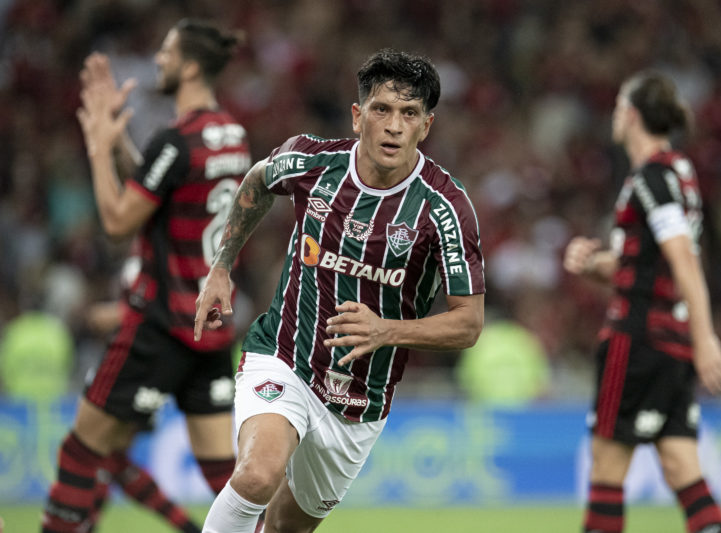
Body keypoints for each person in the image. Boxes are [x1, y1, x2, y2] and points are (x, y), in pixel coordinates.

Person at [194, 48, 485, 532]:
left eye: (409, 114)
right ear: (357, 116)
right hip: (284, 357)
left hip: (359, 401)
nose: (394, 126)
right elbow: (258, 181)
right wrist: (222, 266)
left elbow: (469, 324)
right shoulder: (312, 162)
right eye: (382, 109)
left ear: (426, 126)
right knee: (256, 476)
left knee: (286, 527)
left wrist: (386, 331)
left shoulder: (445, 209)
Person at [42, 19, 252, 533]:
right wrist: (123, 148)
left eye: (167, 52)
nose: (158, 59)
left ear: (191, 67)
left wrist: (99, 145)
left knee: (81, 450)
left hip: (160, 323)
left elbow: (119, 222)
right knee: (225, 476)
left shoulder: (175, 140)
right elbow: (170, 192)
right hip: (210, 325)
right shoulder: (232, 136)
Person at [563, 71, 721, 533]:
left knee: (606, 467)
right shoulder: (679, 173)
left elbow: (683, 259)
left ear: (631, 115)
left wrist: (707, 339)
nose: (614, 115)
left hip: (637, 340)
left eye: (619, 106)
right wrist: (593, 263)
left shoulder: (651, 178)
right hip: (671, 343)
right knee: (682, 467)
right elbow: (645, 264)